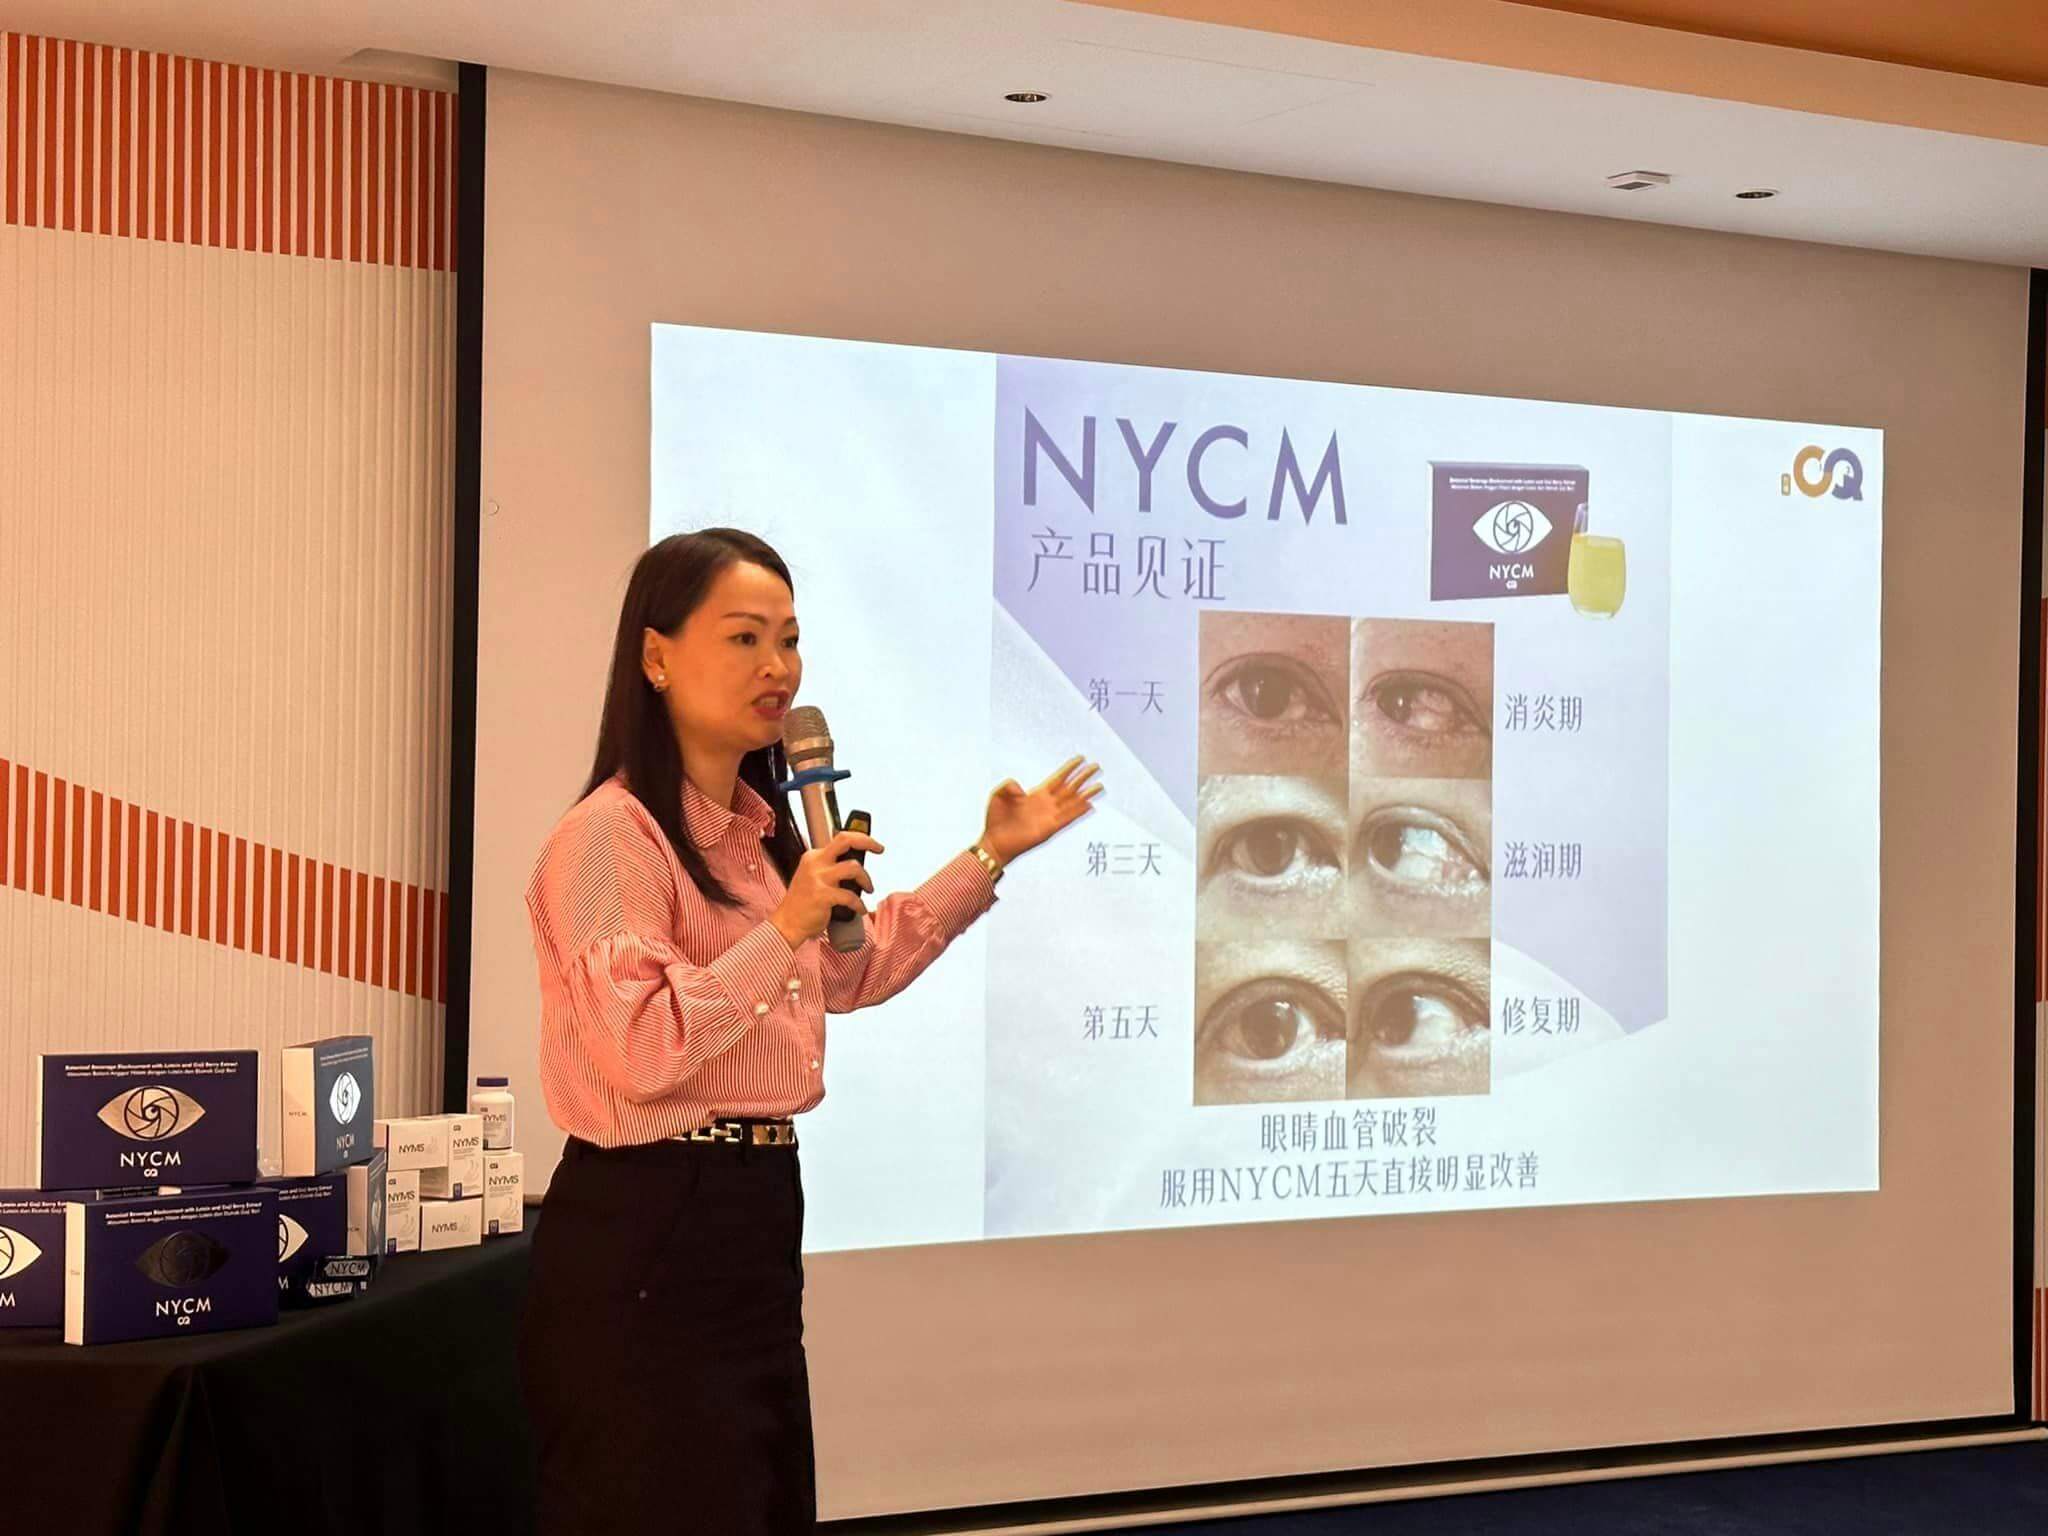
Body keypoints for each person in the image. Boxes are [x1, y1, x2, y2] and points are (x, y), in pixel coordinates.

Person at [518, 527, 1100, 1535]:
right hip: (649, 1223)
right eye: (744, 638)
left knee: (758, 1499)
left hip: (751, 1214)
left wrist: (988, 855)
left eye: (789, 640)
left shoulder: (760, 835)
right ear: (655, 656)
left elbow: (848, 971)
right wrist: (782, 927)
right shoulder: (611, 837)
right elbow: (640, 1047)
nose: (777, 667)